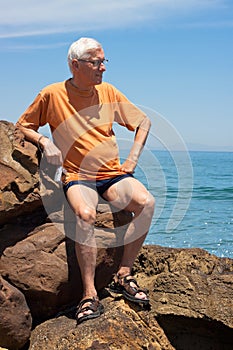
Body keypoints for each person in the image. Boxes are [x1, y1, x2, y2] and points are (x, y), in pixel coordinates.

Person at [16, 37, 155, 324]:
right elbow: (22, 126)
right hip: (78, 177)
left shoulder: (108, 92)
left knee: (146, 203)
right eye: (96, 62)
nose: (103, 68)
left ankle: (123, 274)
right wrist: (44, 141)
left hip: (112, 175)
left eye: (104, 61)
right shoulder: (52, 94)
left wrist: (131, 161)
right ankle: (89, 294)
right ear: (75, 65)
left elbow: (143, 122)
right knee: (85, 214)